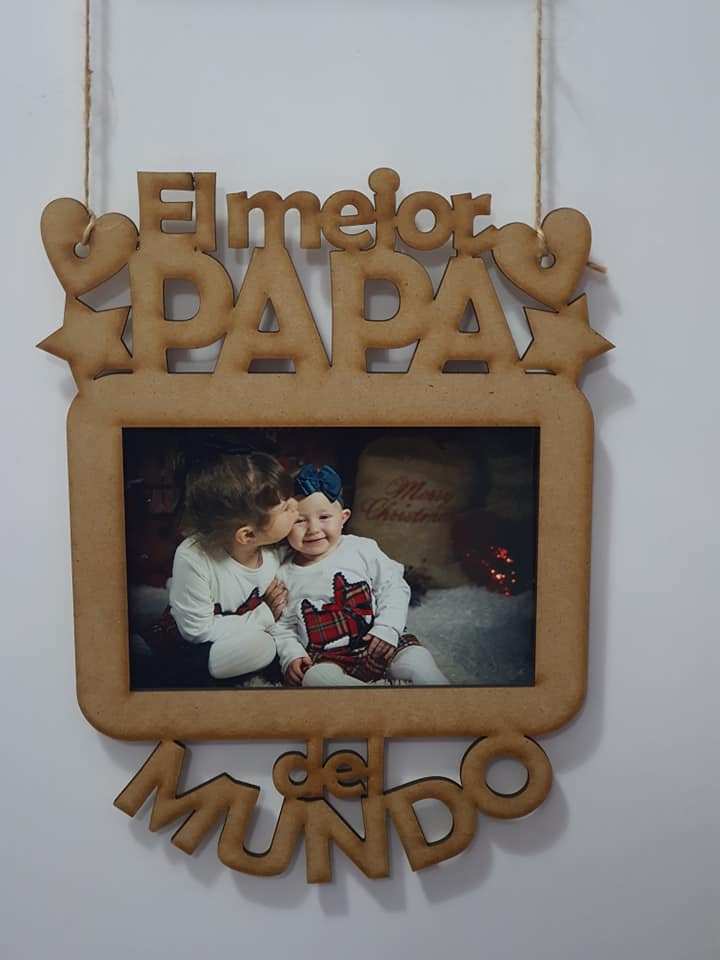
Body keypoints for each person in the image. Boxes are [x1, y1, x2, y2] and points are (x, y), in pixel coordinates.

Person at [272, 464, 448, 687]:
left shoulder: (361, 549)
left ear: (343, 517)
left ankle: (442, 691)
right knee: (315, 677)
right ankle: (365, 698)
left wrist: (387, 628)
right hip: (328, 657)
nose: (313, 529)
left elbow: (394, 587)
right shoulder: (283, 573)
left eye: (324, 517)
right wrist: (291, 655)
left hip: (378, 643)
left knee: (416, 659)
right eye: (299, 520)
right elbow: (282, 626)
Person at [145, 450, 298, 685]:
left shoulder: (275, 545)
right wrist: (263, 615)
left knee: (268, 644)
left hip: (240, 630)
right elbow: (197, 631)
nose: (296, 506)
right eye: (286, 508)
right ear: (247, 535)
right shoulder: (193, 557)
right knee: (263, 647)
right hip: (191, 642)